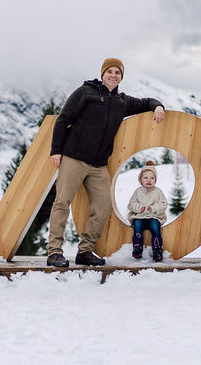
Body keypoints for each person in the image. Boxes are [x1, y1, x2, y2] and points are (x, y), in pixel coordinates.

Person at [46, 57, 165, 267]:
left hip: (98, 165)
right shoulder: (85, 92)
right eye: (109, 71)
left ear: (121, 78)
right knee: (62, 202)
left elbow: (146, 102)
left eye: (117, 73)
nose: (113, 75)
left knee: (103, 205)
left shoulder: (122, 101)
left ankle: (85, 251)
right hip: (74, 158)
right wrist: (56, 151)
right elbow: (63, 119)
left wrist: (158, 106)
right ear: (102, 74)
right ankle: (54, 252)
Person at [127, 160, 168, 262]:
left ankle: (157, 250)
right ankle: (137, 248)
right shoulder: (137, 192)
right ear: (140, 180)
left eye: (152, 178)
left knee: (155, 228)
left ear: (155, 180)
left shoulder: (158, 192)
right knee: (137, 227)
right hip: (140, 217)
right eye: (145, 178)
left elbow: (164, 204)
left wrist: (153, 208)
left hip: (153, 217)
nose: (149, 180)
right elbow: (131, 204)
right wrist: (139, 208)